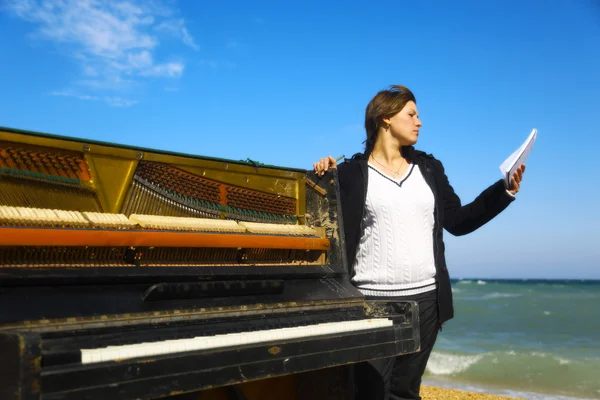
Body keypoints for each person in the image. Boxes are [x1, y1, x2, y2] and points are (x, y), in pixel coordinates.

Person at [313, 85, 525, 400]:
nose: (419, 122)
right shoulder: (350, 175)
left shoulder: (429, 169)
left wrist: (503, 190)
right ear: (385, 118)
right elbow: (318, 225)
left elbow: (458, 222)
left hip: (425, 303)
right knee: (368, 393)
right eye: (411, 114)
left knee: (405, 392)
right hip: (371, 303)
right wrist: (320, 176)